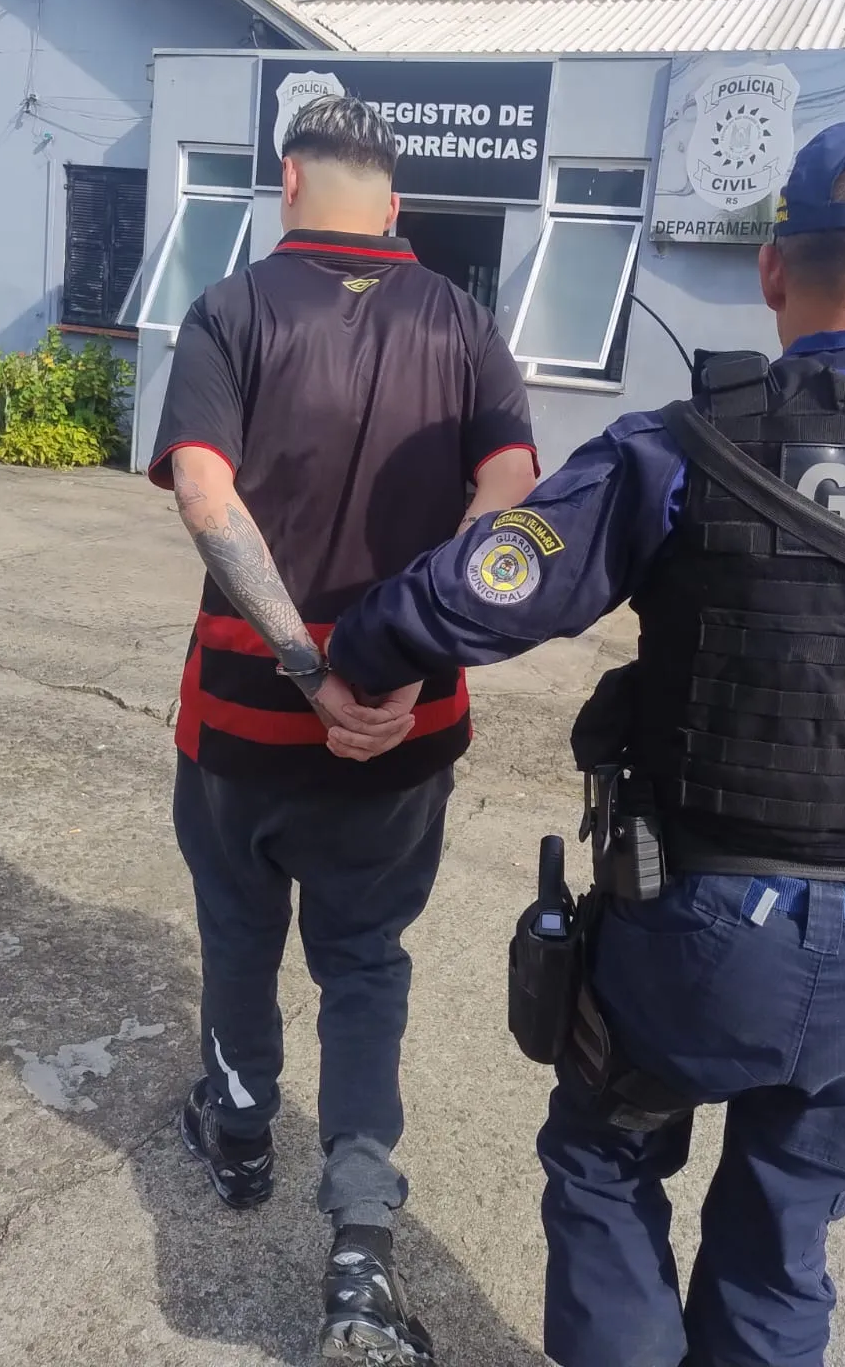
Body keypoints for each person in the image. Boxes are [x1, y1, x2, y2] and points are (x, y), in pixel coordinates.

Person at [328, 113, 845, 1366]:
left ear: (771, 268)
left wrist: (363, 660)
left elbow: (485, 588)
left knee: (604, 1162)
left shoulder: (684, 444)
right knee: (782, 1237)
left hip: (701, 936)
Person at [148, 94, 536, 1364]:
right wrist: (406, 654)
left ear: (287, 182)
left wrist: (309, 668)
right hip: (409, 726)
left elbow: (203, 490)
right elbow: (512, 490)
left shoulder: (231, 309)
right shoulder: (463, 321)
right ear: (396, 201)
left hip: (242, 717)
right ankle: (362, 1254)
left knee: (237, 933)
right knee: (366, 965)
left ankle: (240, 1134)